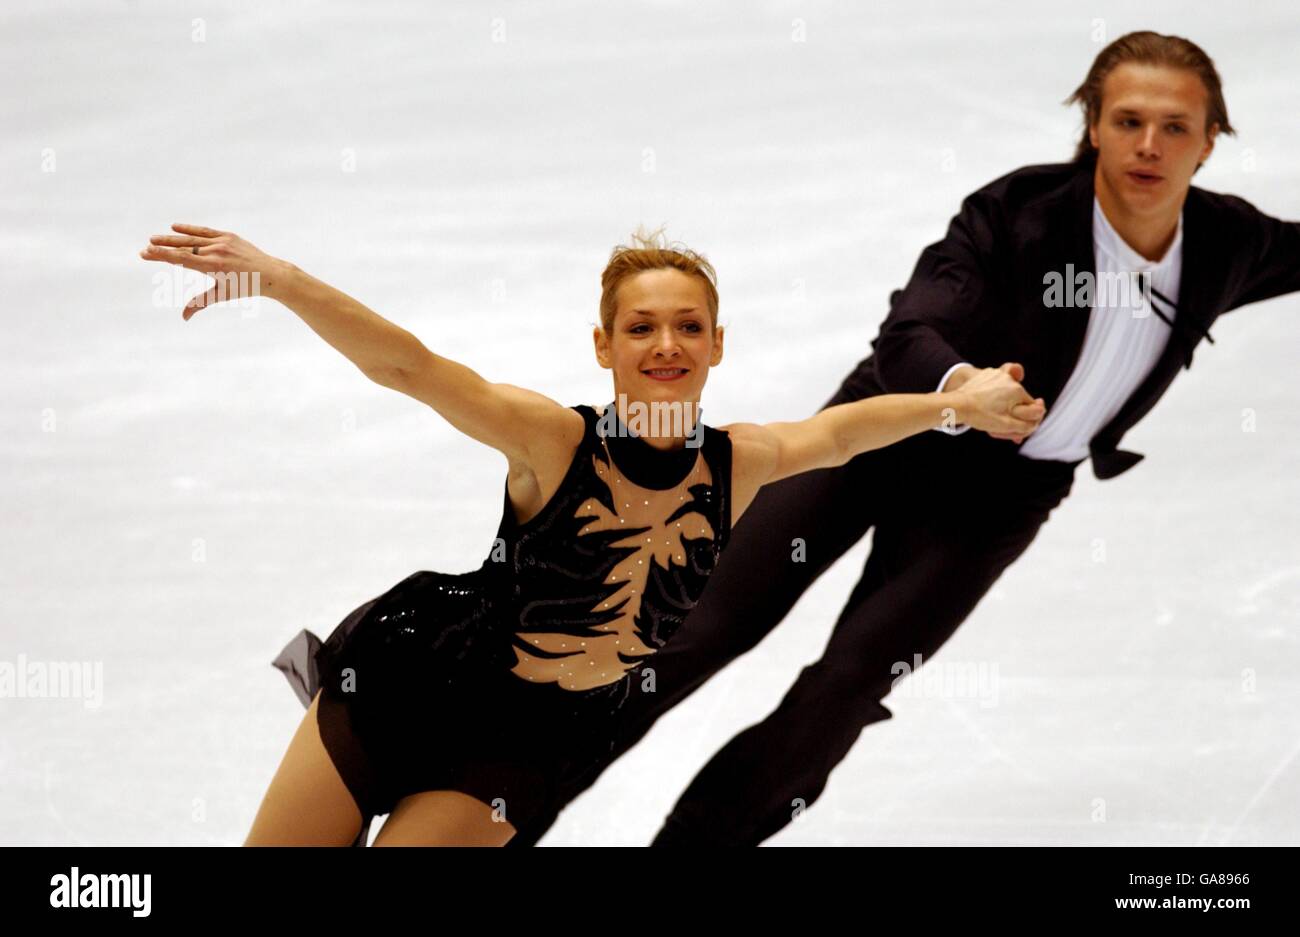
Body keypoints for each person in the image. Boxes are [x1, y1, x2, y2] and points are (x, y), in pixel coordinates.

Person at [502, 30, 1300, 847]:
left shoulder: (1228, 241)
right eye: (1128, 120)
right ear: (1092, 125)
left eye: (1175, 127)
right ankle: (495, 818)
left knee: (843, 695)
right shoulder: (1016, 216)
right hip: (876, 441)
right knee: (685, 634)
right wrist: (964, 388)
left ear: (1210, 142)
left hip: (1003, 498)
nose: (1148, 145)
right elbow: (910, 329)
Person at [138, 226, 1041, 845]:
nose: (665, 343)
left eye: (688, 325)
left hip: (533, 736)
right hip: (417, 679)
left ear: (717, 343)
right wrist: (285, 281)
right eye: (640, 326)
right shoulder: (552, 439)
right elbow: (407, 365)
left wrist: (957, 404)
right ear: (603, 345)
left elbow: (847, 431)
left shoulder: (743, 459)